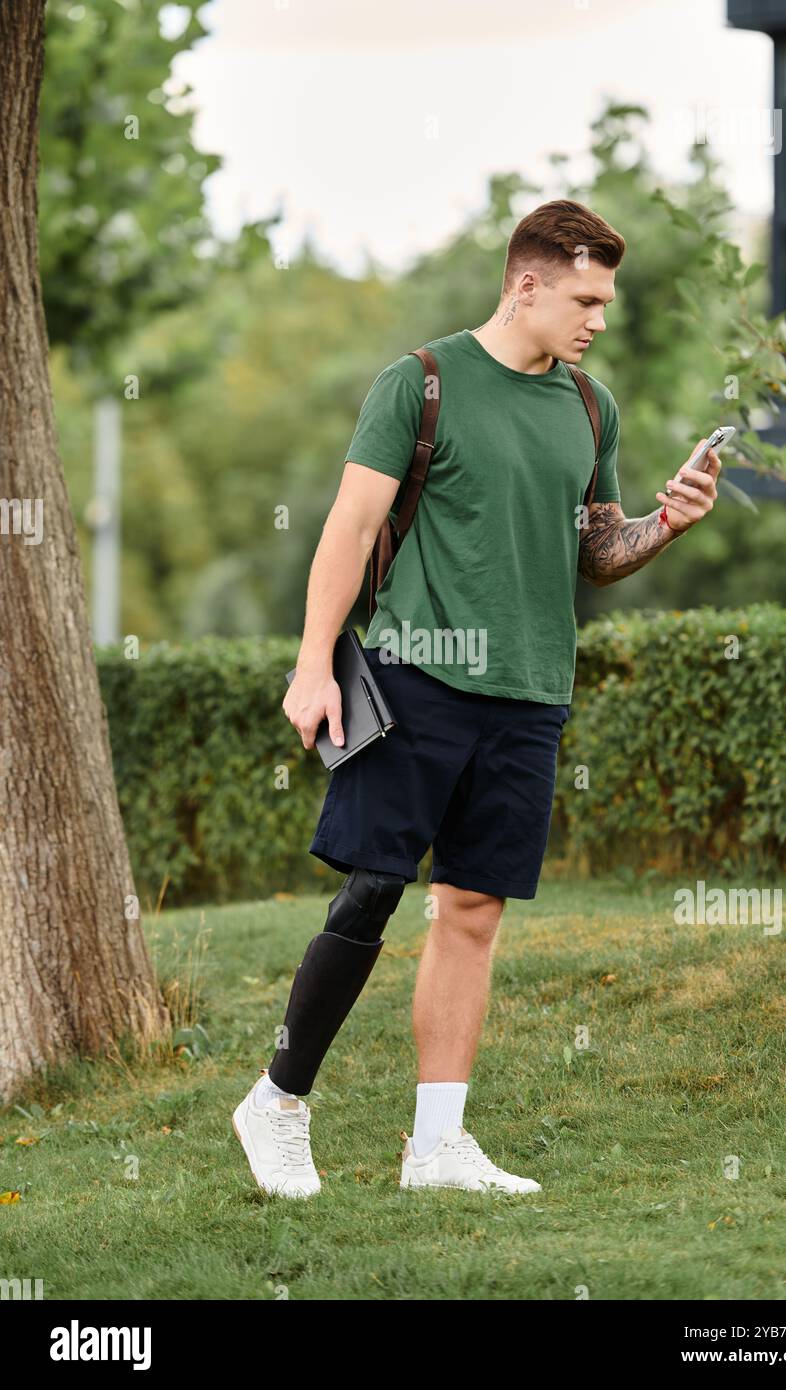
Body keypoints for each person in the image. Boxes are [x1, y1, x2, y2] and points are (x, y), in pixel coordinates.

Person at [232, 198, 721, 1197]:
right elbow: (347, 527)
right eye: (584, 298)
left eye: (605, 302)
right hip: (415, 673)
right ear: (526, 282)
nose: (597, 318)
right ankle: (277, 1099)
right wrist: (312, 662)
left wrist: (662, 525)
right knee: (372, 886)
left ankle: (436, 1146)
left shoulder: (590, 406)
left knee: (473, 909)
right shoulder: (418, 384)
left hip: (530, 692)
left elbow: (593, 550)